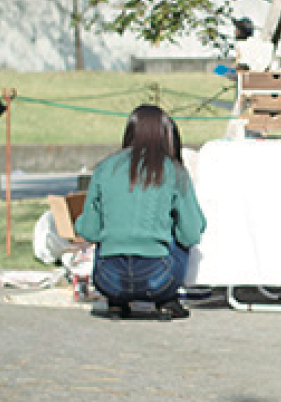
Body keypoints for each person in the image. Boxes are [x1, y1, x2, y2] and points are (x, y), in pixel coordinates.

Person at [74, 105, 207, 320]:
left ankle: (117, 303)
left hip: (108, 280)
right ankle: (166, 301)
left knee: (107, 239)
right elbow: (191, 233)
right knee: (177, 235)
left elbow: (89, 231)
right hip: (159, 279)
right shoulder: (173, 170)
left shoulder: (105, 167)